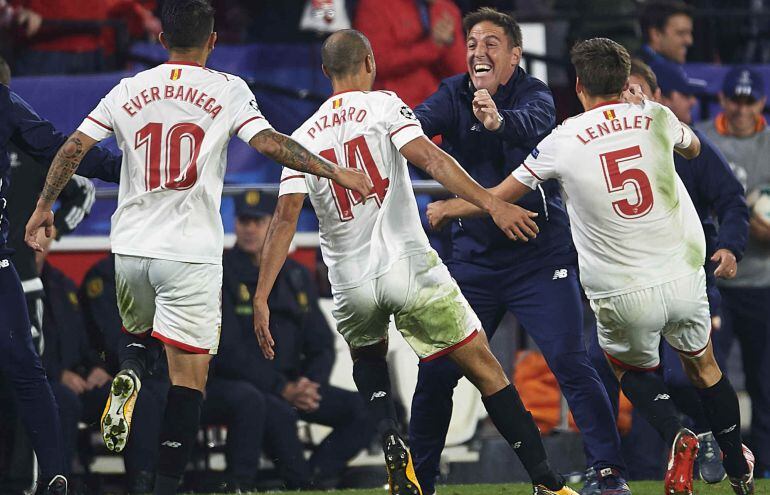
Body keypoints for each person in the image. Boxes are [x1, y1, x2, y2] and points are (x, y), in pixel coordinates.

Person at [23, 1, 374, 493]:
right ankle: (167, 485)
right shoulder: (228, 89)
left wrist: (43, 207)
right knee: (190, 382)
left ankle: (128, 367)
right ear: (213, 41)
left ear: (161, 40)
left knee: (138, 337)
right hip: (190, 254)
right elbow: (271, 143)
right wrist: (335, 169)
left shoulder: (129, 88)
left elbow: (73, 148)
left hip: (130, 249)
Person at [254, 28, 578, 495]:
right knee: (486, 370)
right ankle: (547, 483)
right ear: (369, 60)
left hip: (350, 281)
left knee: (369, 359)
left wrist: (262, 295)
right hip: (409, 269)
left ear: (325, 72)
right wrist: (492, 203)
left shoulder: (300, 139)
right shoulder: (386, 106)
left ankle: (390, 434)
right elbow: (433, 160)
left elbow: (283, 220)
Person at [427, 37, 756, 495]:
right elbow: (696, 150)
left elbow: (500, 196)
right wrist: (645, 113)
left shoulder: (562, 139)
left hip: (621, 290)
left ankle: (677, 432)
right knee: (705, 368)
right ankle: (737, 467)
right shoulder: (655, 116)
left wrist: (449, 207)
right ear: (625, 82)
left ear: (579, 86)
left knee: (627, 371)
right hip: (682, 276)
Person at [408, 8, 628, 495]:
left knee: (572, 363)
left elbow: (531, 125)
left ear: (514, 54)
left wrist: (497, 120)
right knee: (439, 369)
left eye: (490, 43)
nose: (476, 51)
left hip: (539, 256)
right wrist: (395, 126)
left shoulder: (537, 95)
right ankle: (417, 480)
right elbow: (415, 128)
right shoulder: (453, 93)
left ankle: (608, 473)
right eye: (471, 41)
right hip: (474, 264)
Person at [585, 58, 749, 484]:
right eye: (621, 92)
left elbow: (730, 196)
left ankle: (701, 435)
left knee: (676, 374)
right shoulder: (596, 147)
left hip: (685, 276)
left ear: (656, 98)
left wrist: (731, 245)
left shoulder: (675, 137)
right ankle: (612, 470)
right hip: (632, 282)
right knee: (590, 367)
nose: (628, 101)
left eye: (636, 92)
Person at [0, 51, 121, 495]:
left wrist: (123, 169)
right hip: (5, 267)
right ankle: (54, 475)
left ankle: (49, 476)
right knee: (27, 373)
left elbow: (65, 154)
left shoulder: (6, 107)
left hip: (9, 266)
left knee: (28, 373)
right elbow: (63, 148)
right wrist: (128, 168)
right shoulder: (6, 105)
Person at [218, 191, 373, 490]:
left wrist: (310, 386)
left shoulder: (295, 276)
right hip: (251, 386)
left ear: (273, 225)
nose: (249, 229)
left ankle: (313, 475)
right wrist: (282, 388)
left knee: (366, 410)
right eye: (243, 221)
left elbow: (322, 343)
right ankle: (301, 482)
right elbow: (229, 352)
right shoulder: (222, 272)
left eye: (258, 221)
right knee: (267, 407)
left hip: (295, 386)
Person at [697, 66, 770, 479]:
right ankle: (718, 464)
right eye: (735, 99)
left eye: (750, 100)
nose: (742, 109)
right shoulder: (701, 137)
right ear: (723, 100)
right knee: (708, 381)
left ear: (761, 102)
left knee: (765, 383)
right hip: (713, 284)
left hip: (763, 280)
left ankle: (765, 469)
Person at [354, 0, 466, 108]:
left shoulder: (444, 8)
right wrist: (430, 47)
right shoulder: (375, 5)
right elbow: (377, 62)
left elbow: (461, 70)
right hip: (396, 108)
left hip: (439, 106)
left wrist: (448, 41)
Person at [638, 0, 693, 65]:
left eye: (689, 33)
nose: (689, 41)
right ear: (656, 34)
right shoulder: (640, 71)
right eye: (681, 33)